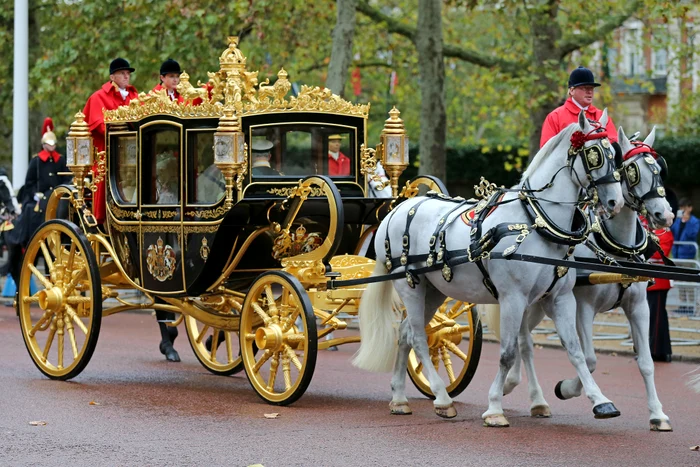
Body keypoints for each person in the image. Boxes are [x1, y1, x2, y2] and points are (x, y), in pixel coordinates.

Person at [6, 118, 70, 288]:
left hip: (57, 199)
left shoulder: (61, 160)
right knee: (32, 214)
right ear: (44, 144)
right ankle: (28, 241)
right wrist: (36, 194)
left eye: (53, 143)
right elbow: (29, 183)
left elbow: (66, 179)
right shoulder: (36, 161)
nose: (52, 146)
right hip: (39, 201)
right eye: (49, 143)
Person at [83, 58, 139, 224]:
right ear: (112, 76)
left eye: (128, 73)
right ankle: (102, 220)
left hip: (132, 152)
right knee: (103, 175)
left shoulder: (134, 96)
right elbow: (99, 125)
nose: (126, 76)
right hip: (106, 155)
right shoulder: (98, 97)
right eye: (122, 73)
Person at [540, 66, 618, 148]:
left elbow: (614, 145)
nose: (590, 92)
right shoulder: (555, 117)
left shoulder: (602, 116)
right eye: (584, 88)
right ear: (572, 90)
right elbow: (546, 151)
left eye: (591, 88)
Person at [646, 220, 674, 362]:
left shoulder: (664, 233)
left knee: (656, 318)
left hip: (659, 281)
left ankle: (656, 350)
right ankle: (659, 350)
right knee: (652, 317)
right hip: (649, 280)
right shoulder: (650, 231)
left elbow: (659, 255)